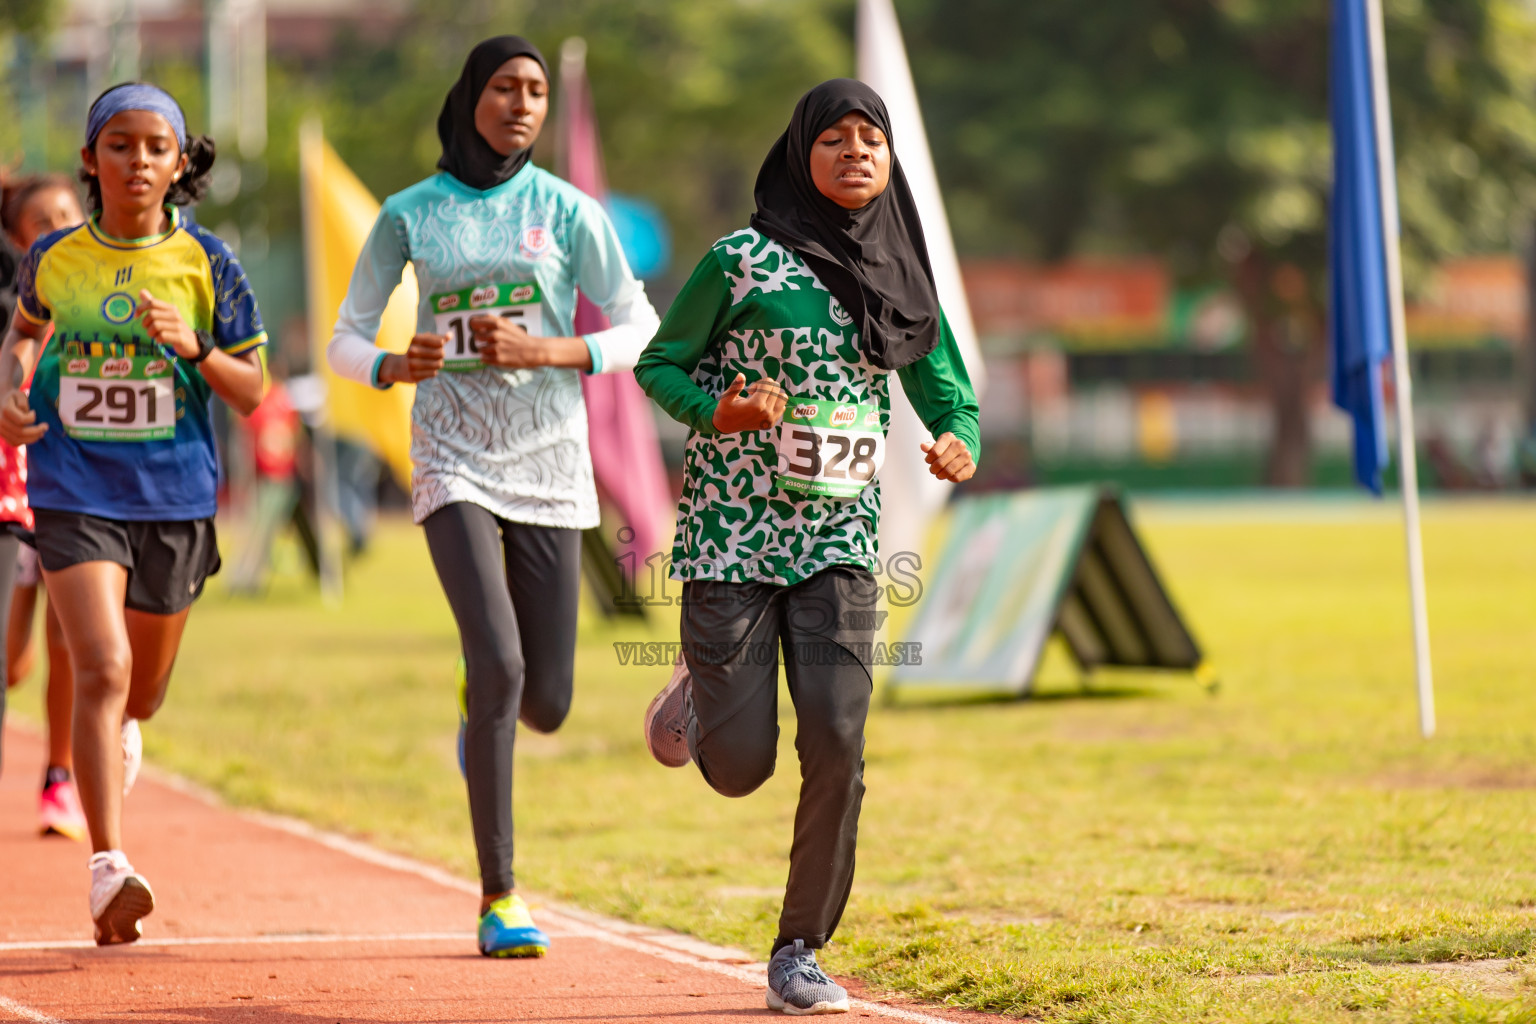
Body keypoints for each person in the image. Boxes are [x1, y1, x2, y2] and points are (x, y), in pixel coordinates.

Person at [634, 80, 980, 1015]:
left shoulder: (901, 274)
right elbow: (658, 363)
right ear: (802, 152)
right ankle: (704, 699)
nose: (856, 152)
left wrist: (958, 441)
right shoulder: (741, 262)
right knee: (743, 767)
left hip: (839, 541)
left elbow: (948, 389)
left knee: (836, 734)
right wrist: (719, 409)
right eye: (835, 138)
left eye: (872, 138)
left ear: (890, 158)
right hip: (730, 538)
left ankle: (799, 947)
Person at [327, 35, 660, 958]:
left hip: (551, 462)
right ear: (471, 94)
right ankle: (500, 896)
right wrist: (397, 361)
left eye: (536, 92)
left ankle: (487, 695)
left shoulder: (567, 211)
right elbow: (344, 340)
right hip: (451, 459)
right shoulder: (410, 215)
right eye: (506, 87)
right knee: (505, 669)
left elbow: (640, 326)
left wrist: (556, 350)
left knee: (544, 700)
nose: (521, 103)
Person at [0, 83, 267, 945]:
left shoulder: (209, 265)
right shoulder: (53, 257)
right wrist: (11, 389)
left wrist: (193, 348)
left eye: (156, 147)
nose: (138, 161)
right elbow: (25, 335)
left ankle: (120, 737)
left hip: (176, 495)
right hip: (75, 487)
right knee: (99, 664)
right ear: (91, 159)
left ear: (179, 163)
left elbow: (254, 388)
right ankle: (108, 869)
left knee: (140, 692)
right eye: (119, 145)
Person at [0, 172, 86, 839]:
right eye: (40, 220)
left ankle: (58, 776)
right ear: (16, 238)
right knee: (15, 659)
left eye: (66, 211)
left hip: (68, 489)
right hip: (12, 489)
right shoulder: (14, 306)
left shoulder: (98, 293)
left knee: (67, 641)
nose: (55, 224)